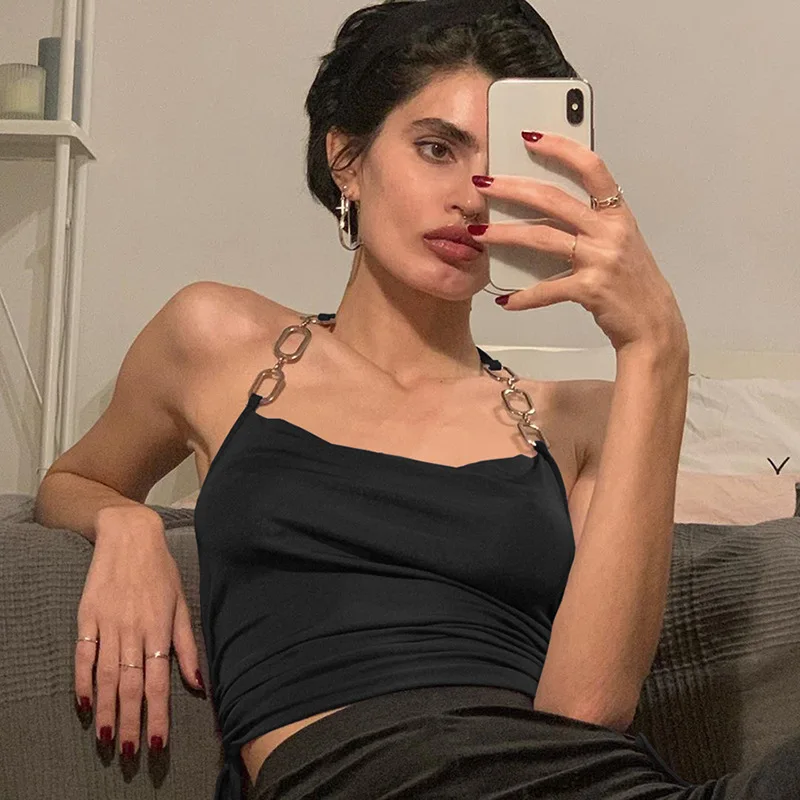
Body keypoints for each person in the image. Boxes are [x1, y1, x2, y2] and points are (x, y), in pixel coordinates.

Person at [33, 0, 799, 798]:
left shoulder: (579, 419)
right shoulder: (217, 341)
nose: (474, 198)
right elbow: (73, 480)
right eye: (437, 148)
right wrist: (125, 525)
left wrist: (657, 349)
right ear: (347, 159)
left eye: (503, 167)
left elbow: (589, 708)